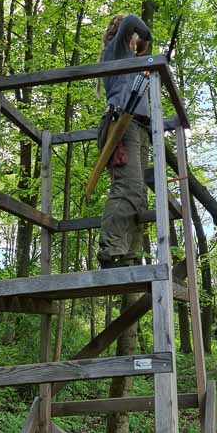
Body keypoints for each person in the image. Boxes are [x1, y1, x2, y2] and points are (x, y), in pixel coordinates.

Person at [96, 13, 152, 268]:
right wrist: (145, 42)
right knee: (127, 185)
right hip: (123, 123)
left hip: (140, 126)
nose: (137, 41)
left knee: (139, 192)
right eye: (135, 38)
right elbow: (130, 19)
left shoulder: (132, 62)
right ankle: (110, 249)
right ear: (127, 36)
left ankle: (125, 250)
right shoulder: (116, 49)